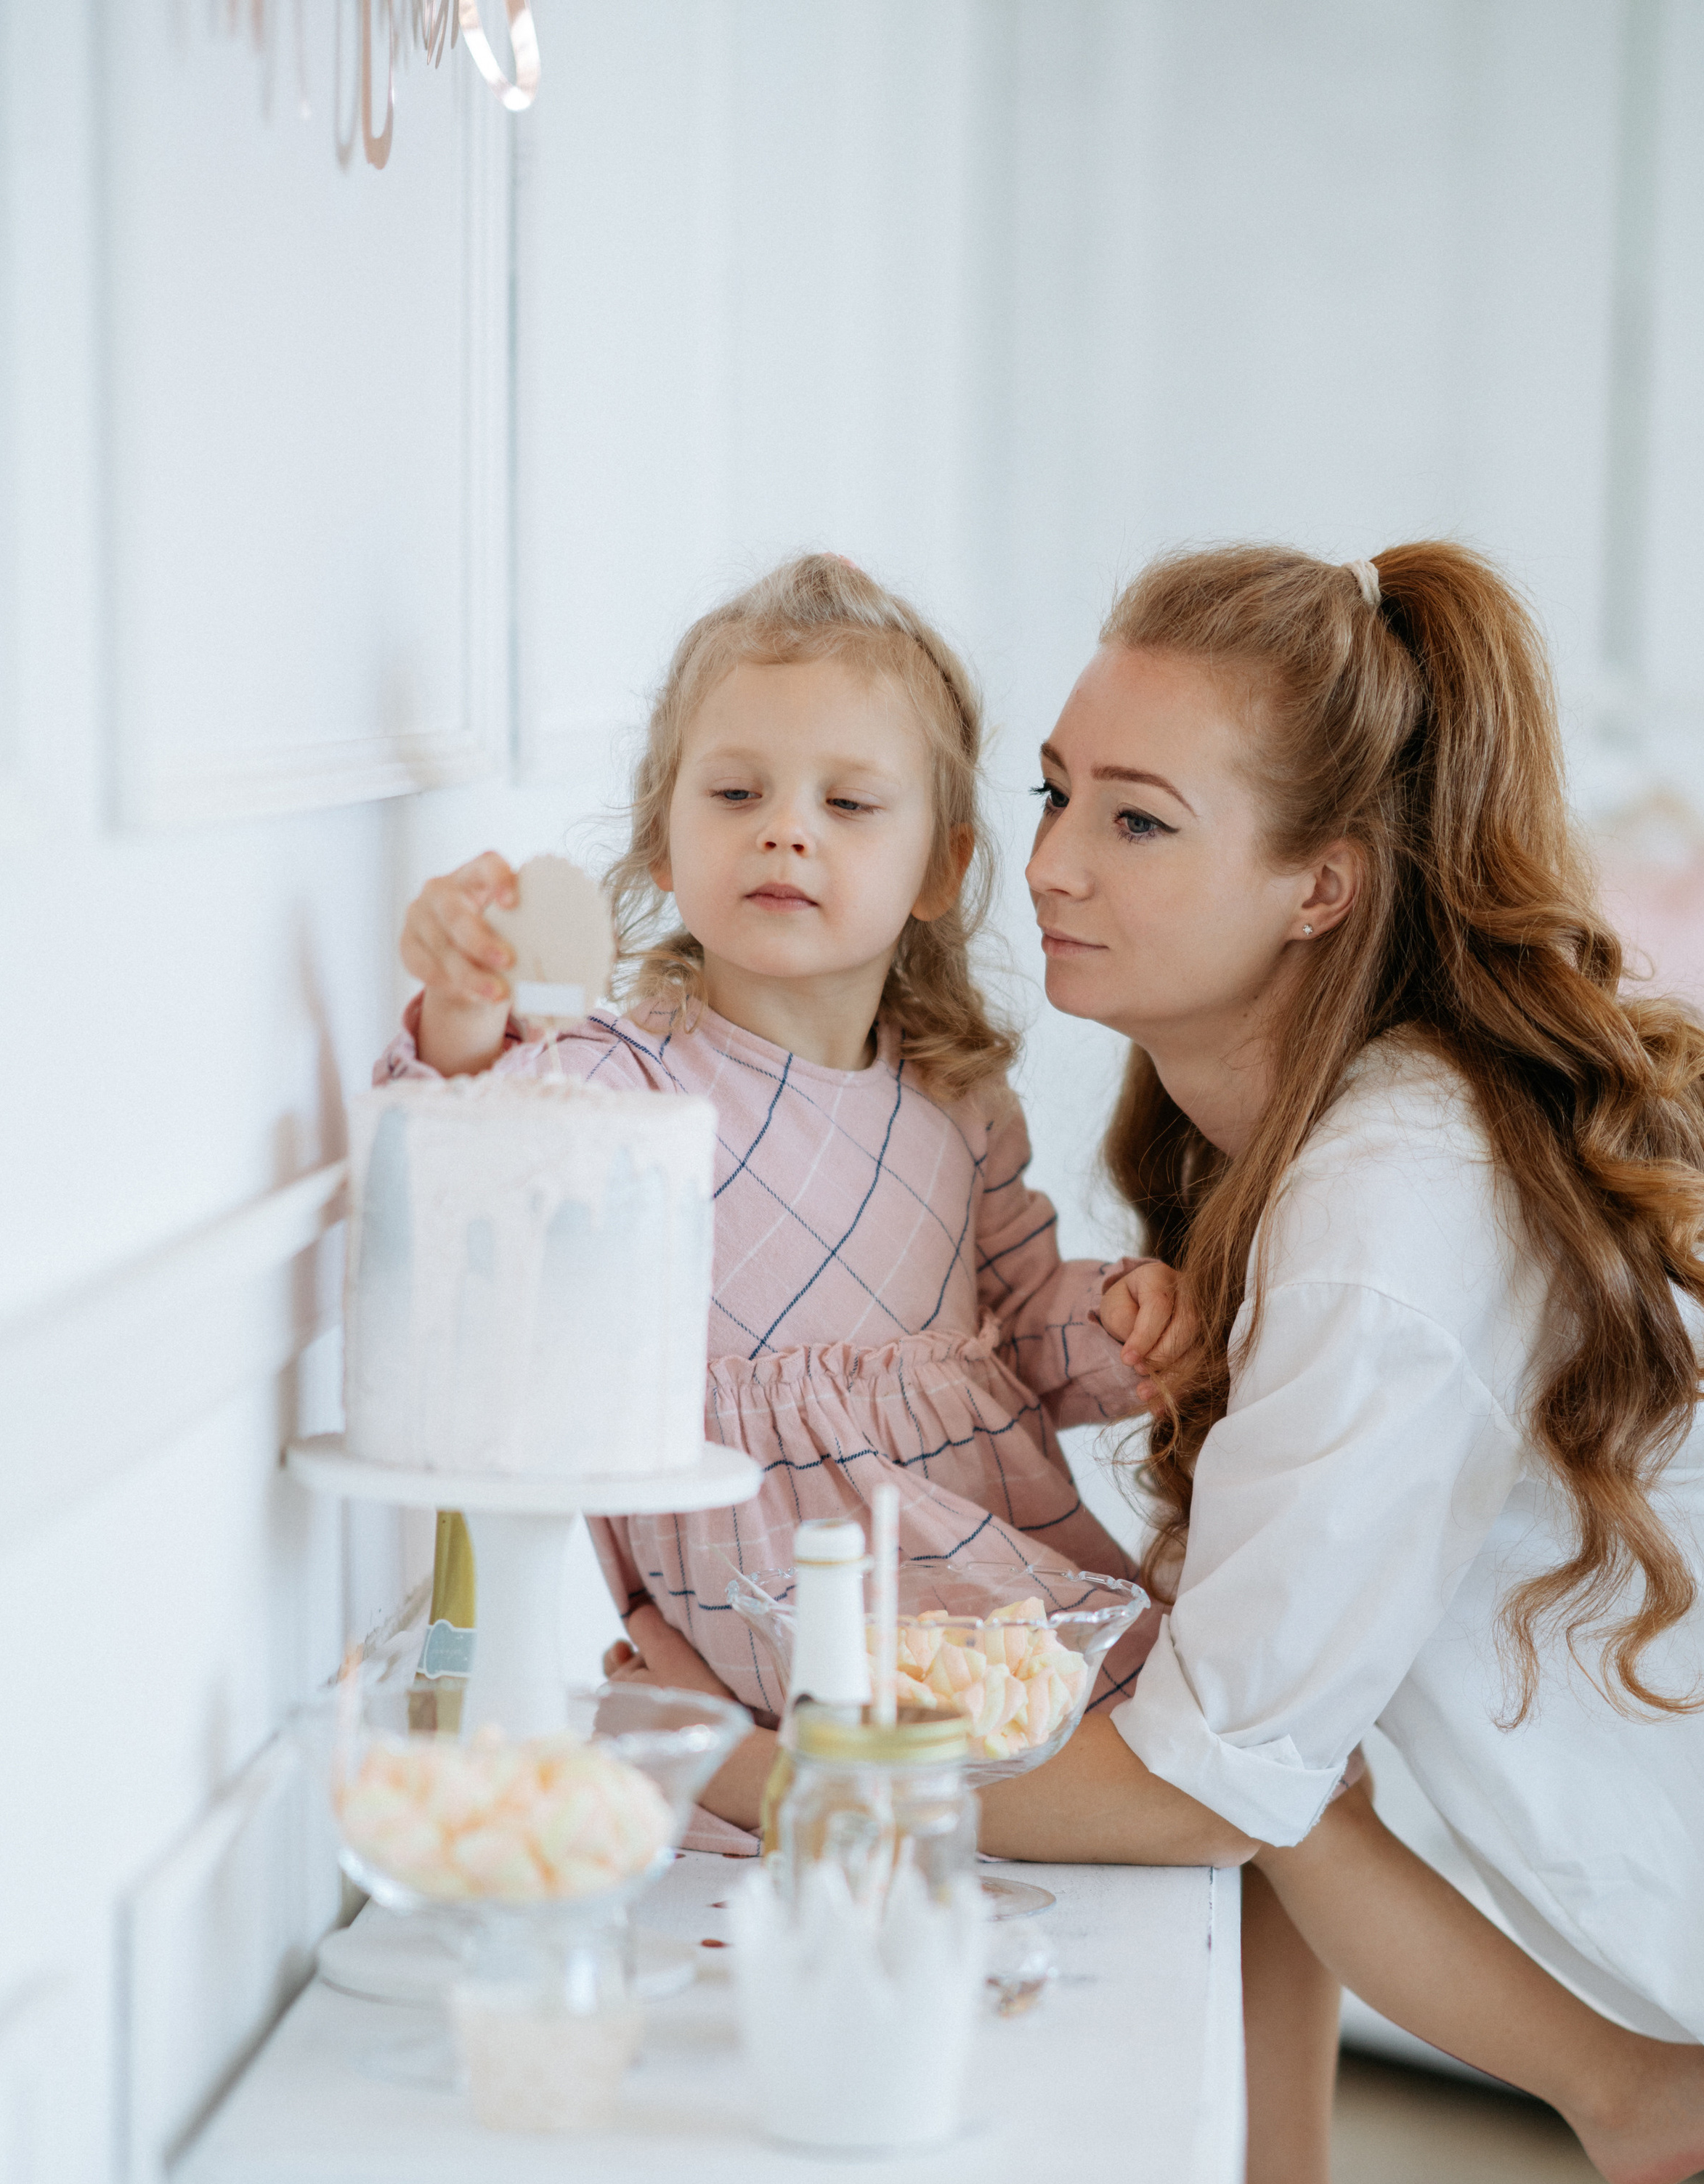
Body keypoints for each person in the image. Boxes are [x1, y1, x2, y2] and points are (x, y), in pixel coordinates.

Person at [954, 538, 1704, 2184]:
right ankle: (1594, 2097)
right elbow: (1249, 1714)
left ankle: (1617, 2092)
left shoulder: (1387, 1208)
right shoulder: (1285, 1144)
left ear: (1321, 882)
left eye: (1140, 818)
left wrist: (782, 1767)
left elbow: (1203, 1774)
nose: (1054, 857)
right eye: (1058, 788)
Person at [384, 551, 1180, 1862]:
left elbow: (1029, 1322)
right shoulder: (625, 1076)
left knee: (1170, 1744)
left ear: (940, 865)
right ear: (663, 833)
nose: (785, 829)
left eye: (851, 801)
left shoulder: (958, 1100)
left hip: (957, 1564)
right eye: (736, 791)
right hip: (753, 1580)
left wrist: (1129, 1320)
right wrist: (467, 997)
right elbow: (480, 1134)